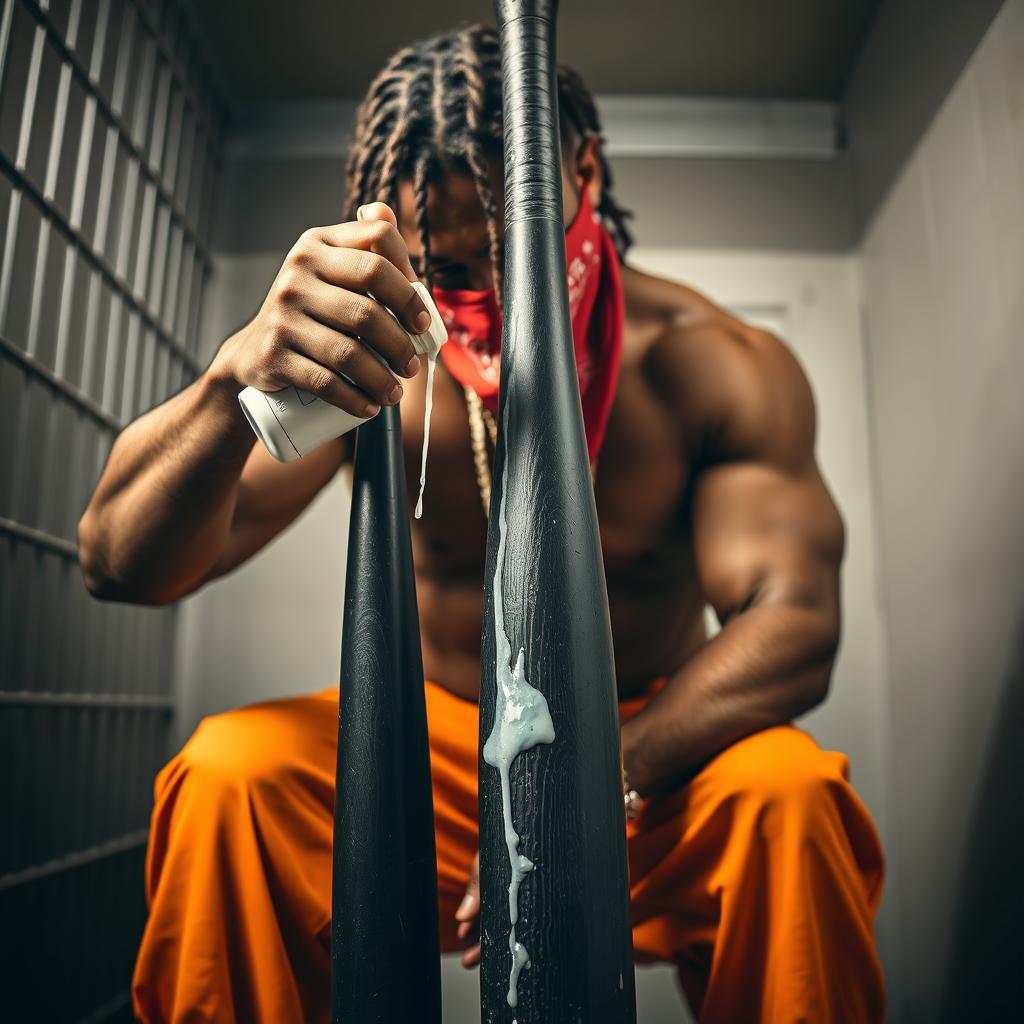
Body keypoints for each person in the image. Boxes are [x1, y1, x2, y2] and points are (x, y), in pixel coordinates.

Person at [78, 24, 885, 1024]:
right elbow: (117, 561)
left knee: (792, 801)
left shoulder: (706, 362)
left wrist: (594, 782)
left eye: (508, 254)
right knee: (226, 777)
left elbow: (795, 621)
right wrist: (233, 374)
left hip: (642, 751)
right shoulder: (380, 360)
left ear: (581, 169)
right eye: (449, 273)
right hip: (432, 749)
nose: (484, 298)